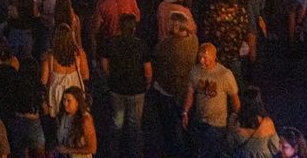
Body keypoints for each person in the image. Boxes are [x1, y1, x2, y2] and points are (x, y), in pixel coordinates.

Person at [99, 12, 150, 158]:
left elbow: (104, 63)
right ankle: (136, 153)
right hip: (136, 89)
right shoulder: (141, 45)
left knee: (117, 121)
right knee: (135, 124)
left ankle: (114, 151)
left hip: (117, 88)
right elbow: (148, 71)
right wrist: (147, 84)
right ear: (134, 28)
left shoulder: (111, 42)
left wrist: (110, 76)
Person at [153, 10, 199, 156]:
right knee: (185, 120)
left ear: (176, 26)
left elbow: (157, 61)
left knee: (171, 126)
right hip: (187, 87)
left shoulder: (167, 45)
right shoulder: (194, 40)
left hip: (168, 89)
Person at [183, 43, 240, 158]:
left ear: (214, 57)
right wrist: (185, 111)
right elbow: (190, 93)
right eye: (200, 57)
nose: (202, 61)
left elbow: (234, 98)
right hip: (199, 120)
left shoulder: (224, 74)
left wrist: (237, 118)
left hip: (217, 124)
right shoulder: (195, 71)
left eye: (205, 58)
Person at [228, 86, 280, 158]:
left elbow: (230, 143)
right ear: (259, 103)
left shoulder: (234, 121)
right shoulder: (267, 123)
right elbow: (275, 148)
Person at [54, 87, 97, 158]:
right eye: (64, 100)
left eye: (69, 101)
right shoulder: (64, 116)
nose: (65, 103)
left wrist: (68, 150)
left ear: (77, 102)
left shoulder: (85, 119)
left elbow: (92, 148)